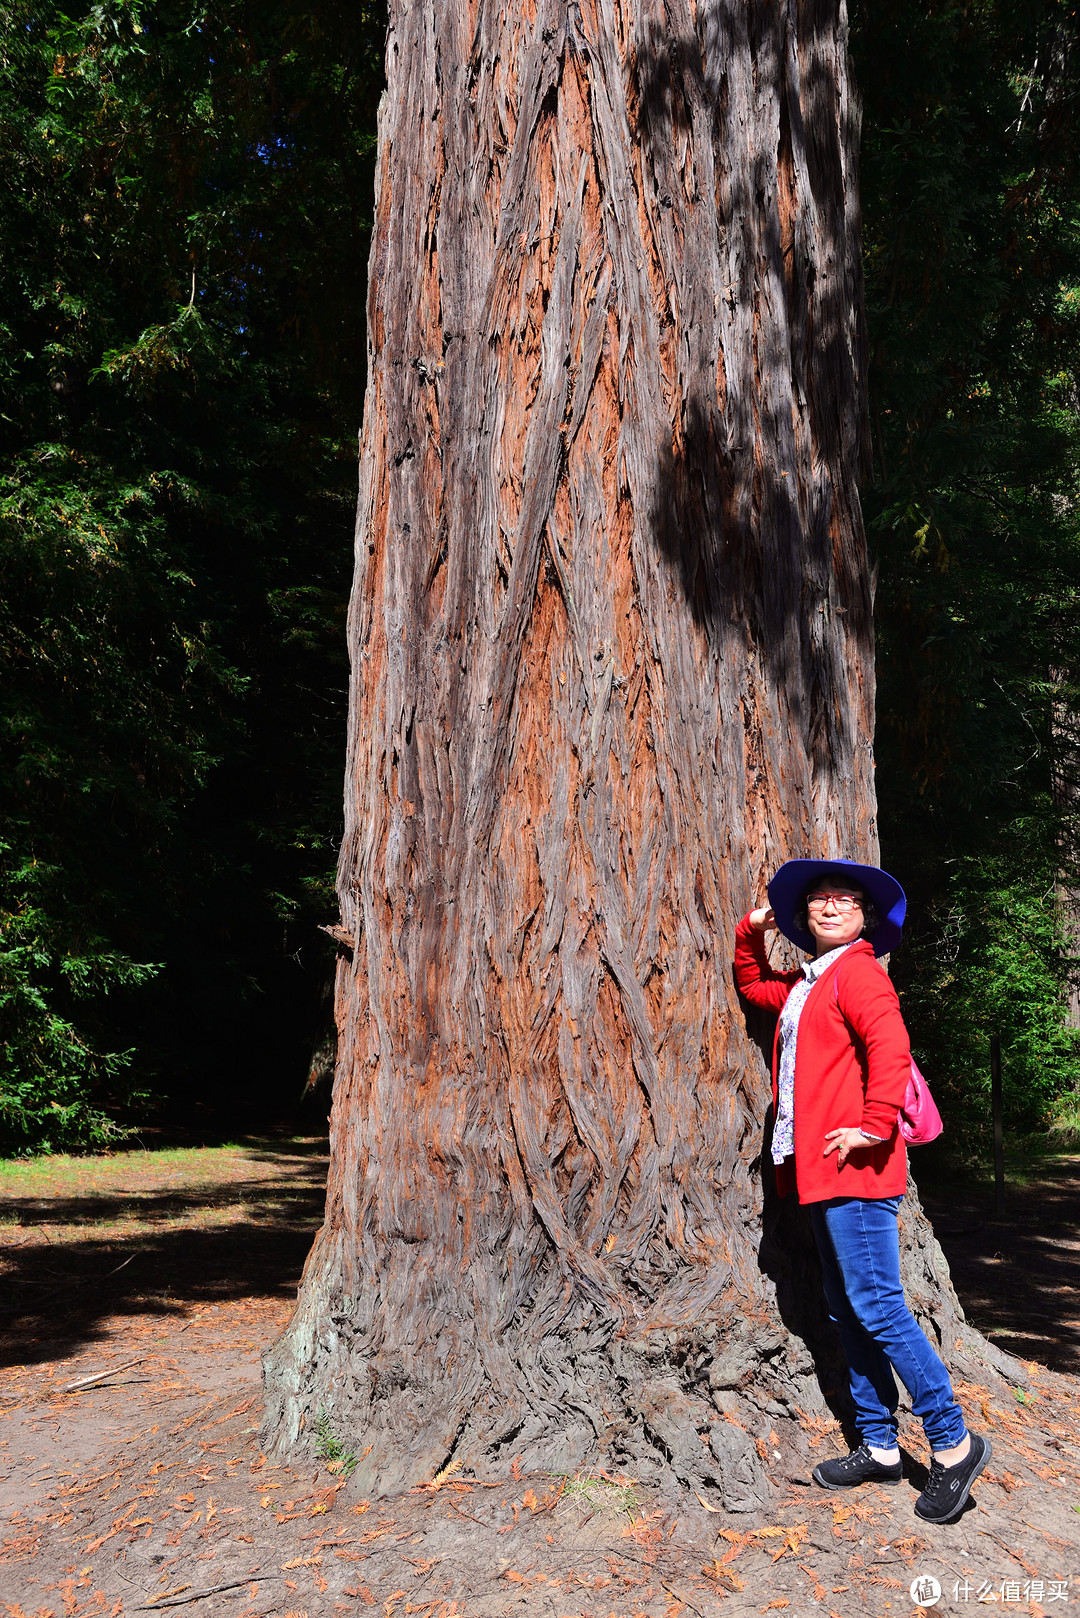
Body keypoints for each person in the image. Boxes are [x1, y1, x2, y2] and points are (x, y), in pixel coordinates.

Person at [733, 857, 990, 1526]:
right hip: (818, 1171)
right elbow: (754, 985)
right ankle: (878, 1446)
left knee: (878, 1308)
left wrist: (874, 1127)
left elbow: (891, 1049)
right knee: (847, 1312)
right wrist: (749, 932)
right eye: (818, 899)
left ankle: (953, 1442)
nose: (828, 906)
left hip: (859, 1169)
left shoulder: (860, 973)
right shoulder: (807, 984)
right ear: (803, 917)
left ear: (865, 916)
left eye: (844, 899)